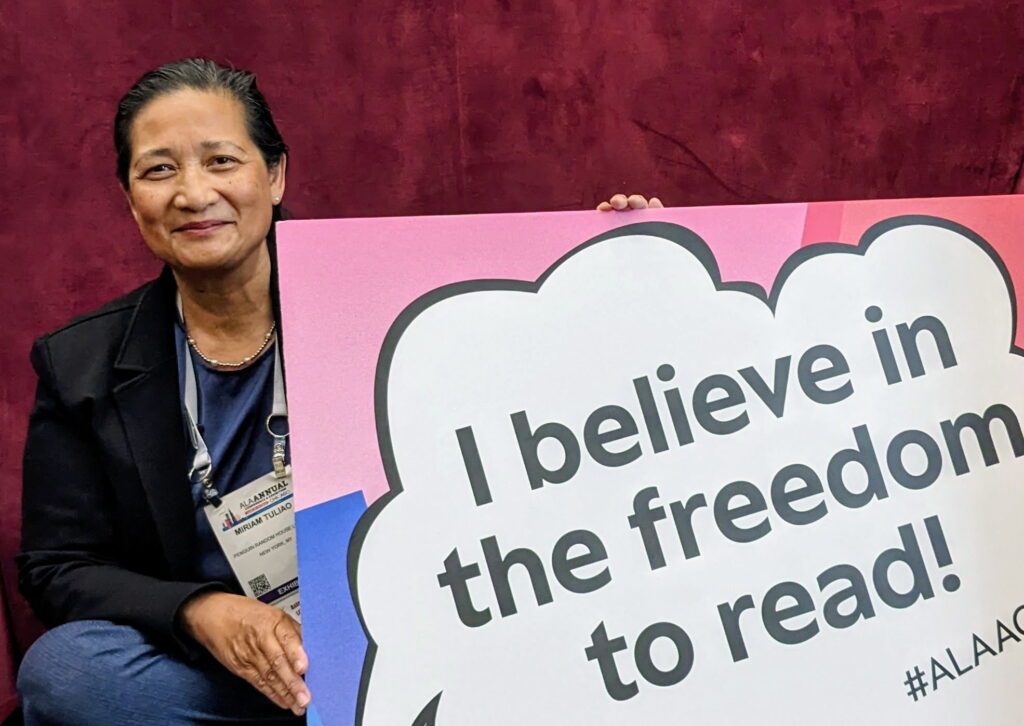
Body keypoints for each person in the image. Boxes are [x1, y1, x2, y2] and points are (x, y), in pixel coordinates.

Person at [15, 57, 663, 725]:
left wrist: (622, 276)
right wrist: (201, 611)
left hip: (417, 642)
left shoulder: (387, 296)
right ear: (129, 198)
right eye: (158, 170)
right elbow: (58, 565)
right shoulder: (82, 364)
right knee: (68, 672)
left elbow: (545, 388)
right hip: (230, 679)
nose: (192, 193)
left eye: (220, 161)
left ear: (274, 175)